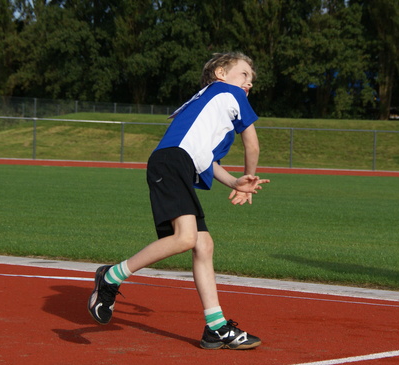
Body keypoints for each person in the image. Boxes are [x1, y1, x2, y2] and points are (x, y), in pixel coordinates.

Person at [88, 52, 269, 349]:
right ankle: (111, 276)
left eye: (252, 79)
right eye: (245, 74)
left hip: (176, 164)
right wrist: (250, 174)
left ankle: (216, 328)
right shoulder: (230, 93)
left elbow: (206, 161)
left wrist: (236, 182)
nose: (249, 82)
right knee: (185, 238)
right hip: (173, 163)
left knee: (203, 244)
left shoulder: (210, 104)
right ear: (221, 73)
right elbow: (252, 142)